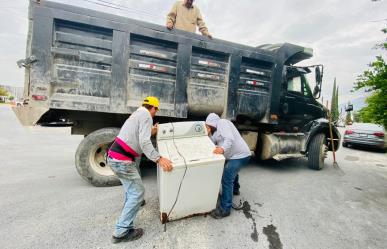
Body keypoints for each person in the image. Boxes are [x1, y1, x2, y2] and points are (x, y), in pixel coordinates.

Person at [107, 96, 173, 243]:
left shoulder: (137, 113)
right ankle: (121, 232)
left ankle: (129, 211)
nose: (155, 113)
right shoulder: (146, 115)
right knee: (137, 193)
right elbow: (144, 142)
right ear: (154, 108)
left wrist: (151, 131)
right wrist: (159, 158)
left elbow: (138, 135)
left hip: (115, 156)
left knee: (132, 190)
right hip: (122, 160)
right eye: (156, 110)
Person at [205, 113, 251, 219]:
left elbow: (229, 139)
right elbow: (213, 144)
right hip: (234, 156)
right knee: (231, 171)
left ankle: (225, 209)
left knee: (227, 177)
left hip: (241, 155)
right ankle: (235, 189)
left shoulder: (222, 123)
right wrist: (208, 135)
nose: (207, 127)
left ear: (211, 123)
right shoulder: (214, 132)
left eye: (207, 125)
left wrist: (222, 149)